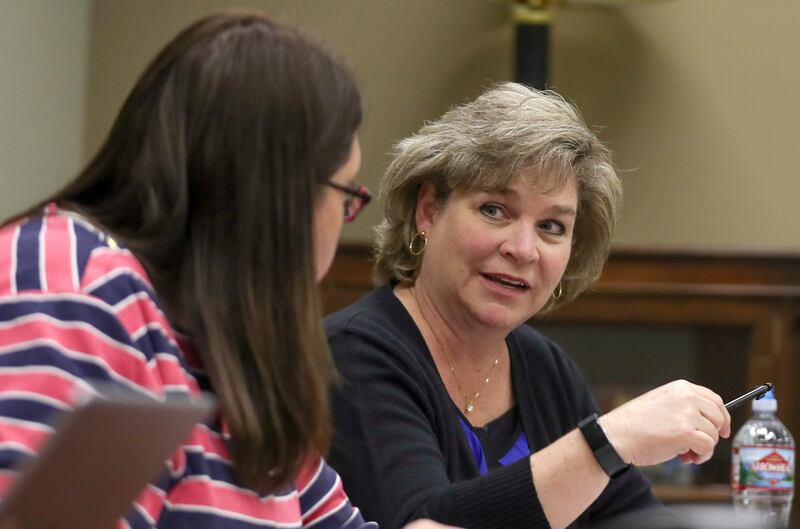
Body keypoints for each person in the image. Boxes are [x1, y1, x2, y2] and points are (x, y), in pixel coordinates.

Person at [0, 10, 453, 529]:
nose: (343, 217)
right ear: (276, 195)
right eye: (347, 193)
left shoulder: (236, 348)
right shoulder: (74, 284)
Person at [325, 82, 732, 529]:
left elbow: (633, 515)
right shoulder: (352, 355)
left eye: (552, 226)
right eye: (495, 210)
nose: (523, 249)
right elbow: (421, 521)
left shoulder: (544, 367)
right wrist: (607, 441)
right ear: (428, 211)